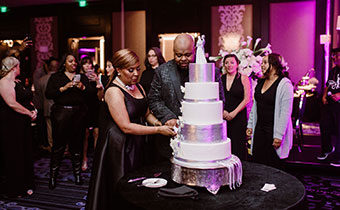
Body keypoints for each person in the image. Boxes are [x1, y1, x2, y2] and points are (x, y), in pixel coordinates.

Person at [85, 49, 176, 210]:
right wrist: (158, 130)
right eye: (130, 70)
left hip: (138, 140)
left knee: (139, 186)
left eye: (137, 69)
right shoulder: (113, 91)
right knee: (122, 187)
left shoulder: (138, 87)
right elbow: (125, 127)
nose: (135, 74)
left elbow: (146, 113)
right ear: (118, 70)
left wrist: (159, 124)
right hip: (119, 145)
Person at [148, 33, 225, 160]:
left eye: (187, 55)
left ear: (194, 50)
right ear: (173, 52)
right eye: (178, 55)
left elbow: (220, 100)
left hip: (202, 140)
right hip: (169, 141)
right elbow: (154, 99)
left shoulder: (211, 72)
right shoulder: (162, 72)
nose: (183, 58)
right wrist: (169, 117)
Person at [45, 53, 90, 189]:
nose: (74, 63)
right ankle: (53, 177)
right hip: (61, 113)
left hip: (78, 113)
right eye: (71, 61)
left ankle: (77, 175)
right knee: (58, 146)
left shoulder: (82, 77)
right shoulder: (56, 77)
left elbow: (91, 94)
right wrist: (64, 88)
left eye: (75, 62)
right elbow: (49, 94)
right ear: (64, 63)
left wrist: (83, 87)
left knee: (77, 145)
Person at [246, 53, 294, 168]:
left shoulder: (284, 84)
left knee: (273, 162)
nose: (261, 65)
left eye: (265, 63)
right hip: (260, 128)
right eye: (261, 63)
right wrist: (250, 126)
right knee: (258, 160)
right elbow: (255, 106)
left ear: (274, 65)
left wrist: (279, 135)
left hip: (274, 129)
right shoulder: (261, 82)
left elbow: (285, 113)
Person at [0, 56, 37, 197]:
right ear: (14, 67)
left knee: (25, 152)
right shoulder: (3, 82)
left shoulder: (17, 82)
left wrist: (33, 110)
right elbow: (12, 103)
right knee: (14, 154)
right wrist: (29, 113)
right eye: (19, 66)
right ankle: (16, 187)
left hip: (23, 123)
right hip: (11, 124)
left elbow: (26, 99)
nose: (20, 68)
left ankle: (27, 183)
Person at [221, 54, 251, 160]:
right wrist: (223, 111)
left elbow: (247, 98)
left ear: (237, 64)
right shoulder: (221, 78)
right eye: (227, 63)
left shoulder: (243, 78)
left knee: (238, 146)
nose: (229, 65)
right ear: (224, 65)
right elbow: (217, 97)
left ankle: (240, 171)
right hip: (224, 117)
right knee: (225, 146)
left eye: (232, 62)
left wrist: (234, 113)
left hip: (238, 116)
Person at [317, 48, 340, 167]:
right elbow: (328, 85)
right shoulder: (333, 71)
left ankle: (338, 156)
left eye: (336, 56)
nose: (334, 58)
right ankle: (327, 149)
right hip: (330, 104)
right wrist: (324, 95)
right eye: (333, 56)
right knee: (324, 125)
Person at [79, 56, 101, 171]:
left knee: (97, 134)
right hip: (84, 108)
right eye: (85, 64)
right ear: (81, 66)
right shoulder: (80, 78)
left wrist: (97, 81)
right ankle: (84, 159)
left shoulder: (96, 77)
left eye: (89, 64)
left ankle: (97, 160)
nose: (88, 66)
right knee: (85, 136)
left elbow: (99, 96)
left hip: (95, 107)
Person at [35, 57, 59, 152]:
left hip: (47, 106)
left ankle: (52, 147)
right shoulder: (59, 78)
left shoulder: (41, 80)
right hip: (58, 107)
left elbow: (39, 94)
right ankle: (63, 148)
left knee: (50, 129)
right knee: (60, 128)